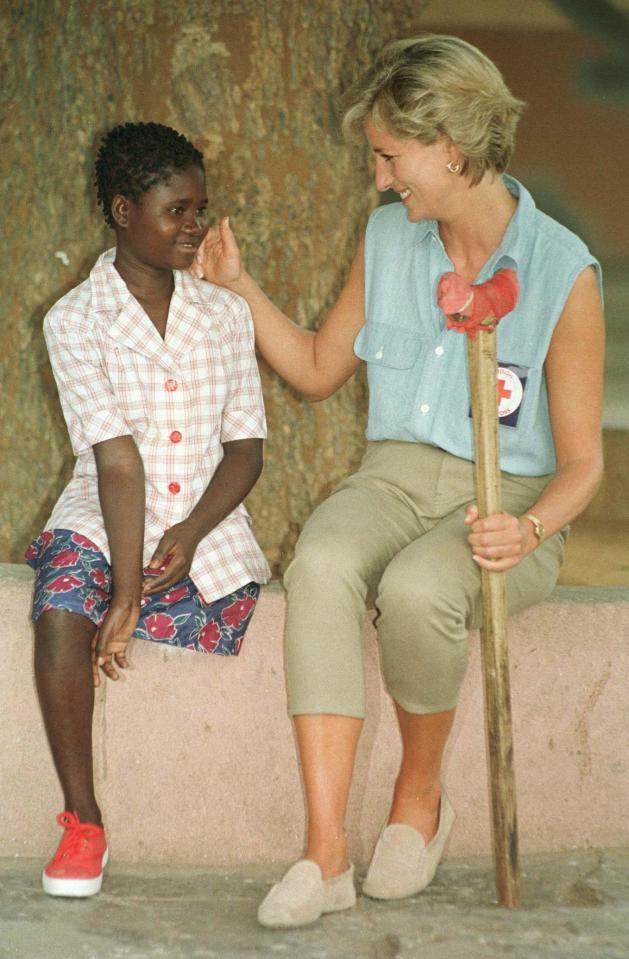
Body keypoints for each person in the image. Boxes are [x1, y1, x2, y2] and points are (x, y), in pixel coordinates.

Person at [195, 34, 604, 928]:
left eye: (390, 157)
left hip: (512, 502)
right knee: (323, 560)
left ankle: (418, 799)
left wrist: (527, 530)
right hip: (392, 478)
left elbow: (583, 465)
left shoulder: (560, 272)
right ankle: (325, 854)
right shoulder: (386, 237)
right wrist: (238, 288)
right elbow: (312, 367)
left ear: (451, 146)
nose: (380, 180)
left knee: (422, 587)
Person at [26, 122, 270, 897]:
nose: (195, 226)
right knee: (64, 604)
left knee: (215, 601)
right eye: (177, 211)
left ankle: (154, 580)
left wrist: (193, 534)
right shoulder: (74, 321)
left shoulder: (225, 315)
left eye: (200, 208)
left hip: (203, 514)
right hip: (106, 504)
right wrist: (124, 588)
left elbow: (244, 451)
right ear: (124, 210)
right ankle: (83, 820)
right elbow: (117, 462)